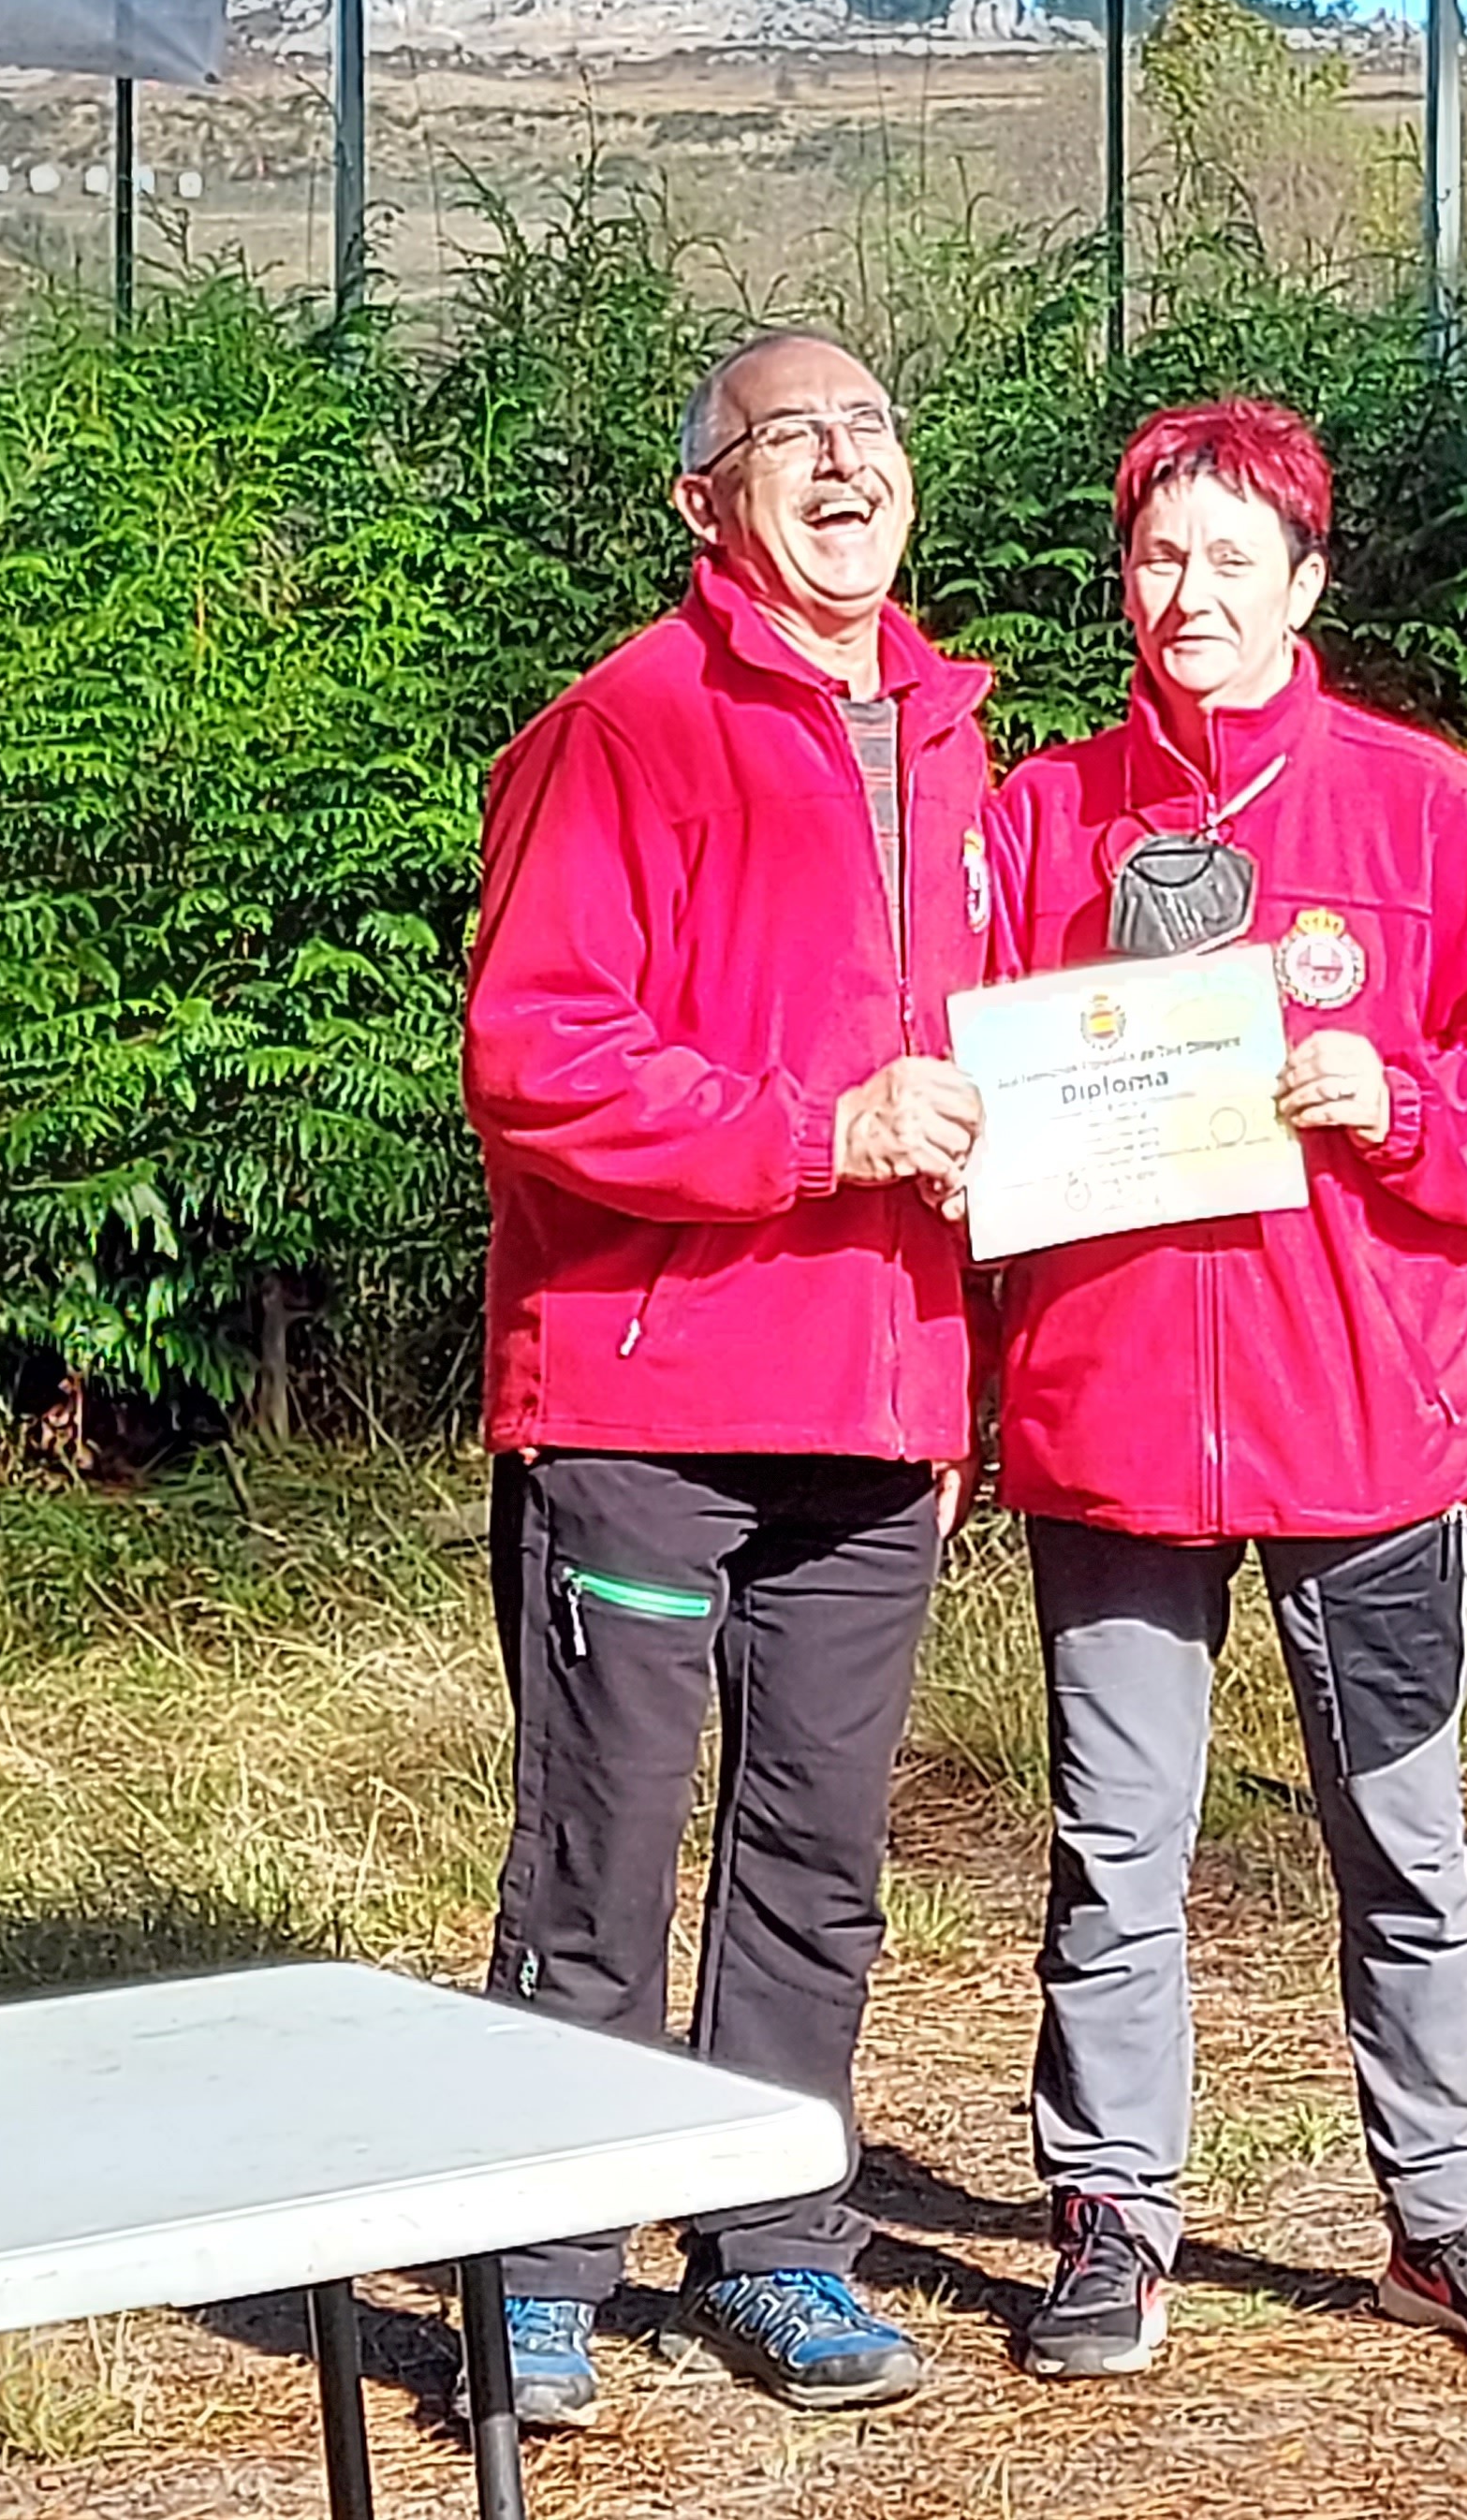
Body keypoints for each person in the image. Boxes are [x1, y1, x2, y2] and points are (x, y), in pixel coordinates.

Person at [981, 395, 1467, 2381]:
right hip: (1106, 1423)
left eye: (1228, 564)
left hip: (1364, 1420)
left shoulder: (1426, 810)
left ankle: (1443, 2213)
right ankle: (1111, 2214)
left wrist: (1405, 1095)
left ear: (1305, 586)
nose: (1184, 599)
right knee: (1116, 1844)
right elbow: (969, 1102)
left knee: (1401, 1841)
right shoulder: (1042, 815)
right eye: (1156, 560)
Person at [459, 328, 990, 2427]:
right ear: (707, 503)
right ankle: (537, 2267)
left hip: (873, 1418)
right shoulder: (622, 726)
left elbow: (995, 1101)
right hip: (643, 1407)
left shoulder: (952, 742)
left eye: (870, 424)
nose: (844, 462)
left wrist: (954, 1397)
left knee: (815, 1856)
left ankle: (775, 2247)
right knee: (598, 1847)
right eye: (792, 437)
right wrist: (810, 1135)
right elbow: (537, 1062)